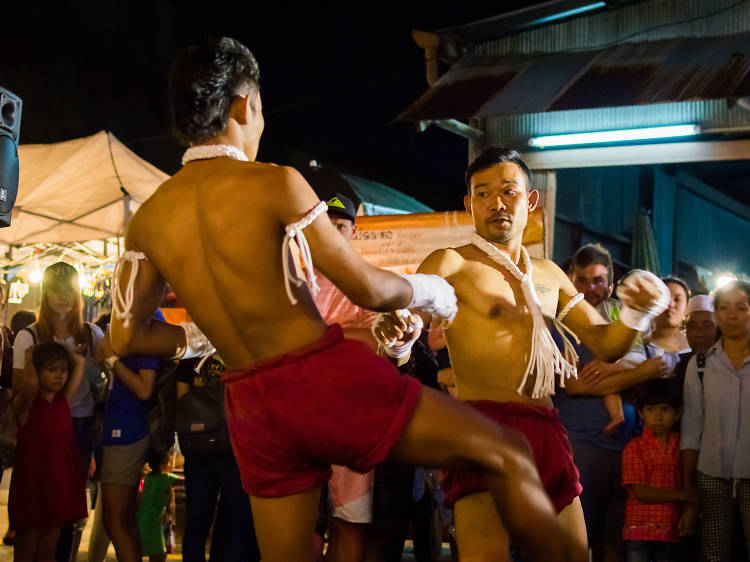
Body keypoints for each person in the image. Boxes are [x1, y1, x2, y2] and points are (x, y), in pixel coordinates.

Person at [109, 37, 581, 562]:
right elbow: (367, 287)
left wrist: (201, 334)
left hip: (249, 403)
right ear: (247, 105)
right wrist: (432, 292)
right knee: (509, 452)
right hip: (318, 379)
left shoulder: (148, 219)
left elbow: (126, 335)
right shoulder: (275, 183)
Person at [373, 147, 671, 561]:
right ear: (469, 205)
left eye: (508, 191)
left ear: (530, 200)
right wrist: (399, 333)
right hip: (483, 425)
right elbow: (413, 302)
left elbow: (606, 344)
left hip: (547, 425)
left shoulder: (548, 274)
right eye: (482, 194)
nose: (496, 202)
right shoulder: (453, 262)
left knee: (573, 554)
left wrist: (638, 312)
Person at [556, 246, 670, 562]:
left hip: (627, 448)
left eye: (597, 281)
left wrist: (628, 370)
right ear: (569, 281)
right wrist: (640, 372)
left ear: (610, 285)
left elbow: (643, 365)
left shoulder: (619, 317)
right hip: (581, 445)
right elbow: (575, 385)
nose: (588, 288)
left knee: (617, 540)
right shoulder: (559, 325)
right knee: (579, 539)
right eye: (581, 280)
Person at [12, 262, 105, 562]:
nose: (62, 296)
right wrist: (29, 376)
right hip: (40, 435)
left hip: (79, 428)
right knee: (39, 515)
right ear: (44, 293)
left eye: (68, 290)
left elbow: (107, 370)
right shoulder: (29, 336)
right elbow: (20, 398)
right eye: (55, 289)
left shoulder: (92, 335)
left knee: (66, 514)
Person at [312, 193, 378, 562]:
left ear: (354, 230)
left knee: (350, 522)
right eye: (328, 226)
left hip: (353, 418)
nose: (335, 233)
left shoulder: (367, 280)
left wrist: (318, 336)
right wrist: (345, 334)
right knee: (304, 523)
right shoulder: (296, 277)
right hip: (301, 417)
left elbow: (374, 342)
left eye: (341, 226)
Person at [681, 280, 750, 561]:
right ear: (717, 314)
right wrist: (688, 485)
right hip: (711, 475)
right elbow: (691, 428)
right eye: (724, 308)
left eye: (741, 308)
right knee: (712, 553)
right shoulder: (700, 365)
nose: (731, 316)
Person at [176, 351, 260, 562]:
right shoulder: (236, 348)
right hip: (234, 446)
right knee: (237, 524)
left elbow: (182, 397)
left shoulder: (191, 354)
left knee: (196, 525)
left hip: (199, 446)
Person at [8, 342, 88, 562]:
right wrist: (28, 360)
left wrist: (62, 350)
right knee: (27, 551)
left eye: (63, 370)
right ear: (38, 370)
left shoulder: (62, 402)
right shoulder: (27, 406)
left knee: (47, 552)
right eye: (51, 370)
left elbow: (79, 363)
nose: (59, 376)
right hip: (34, 488)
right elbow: (31, 383)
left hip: (59, 487)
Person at [98, 316, 162, 562]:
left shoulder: (146, 320)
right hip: (122, 424)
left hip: (128, 428)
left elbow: (144, 388)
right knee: (123, 518)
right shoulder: (129, 317)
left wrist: (111, 359)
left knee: (114, 518)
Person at [621, 379, 693, 562]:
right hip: (639, 531)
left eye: (665, 409)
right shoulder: (634, 448)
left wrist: (689, 507)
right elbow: (641, 492)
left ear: (678, 413)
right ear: (641, 412)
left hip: (670, 528)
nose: (658, 417)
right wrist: (684, 496)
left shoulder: (682, 447)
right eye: (651, 410)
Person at [137, 448, 183, 562]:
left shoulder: (148, 478)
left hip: (141, 521)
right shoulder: (165, 478)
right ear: (168, 463)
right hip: (155, 525)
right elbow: (182, 480)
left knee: (139, 552)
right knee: (159, 555)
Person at [673, 295, 718, 392]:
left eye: (707, 326)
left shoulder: (731, 364)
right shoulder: (681, 366)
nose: (700, 333)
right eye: (693, 326)